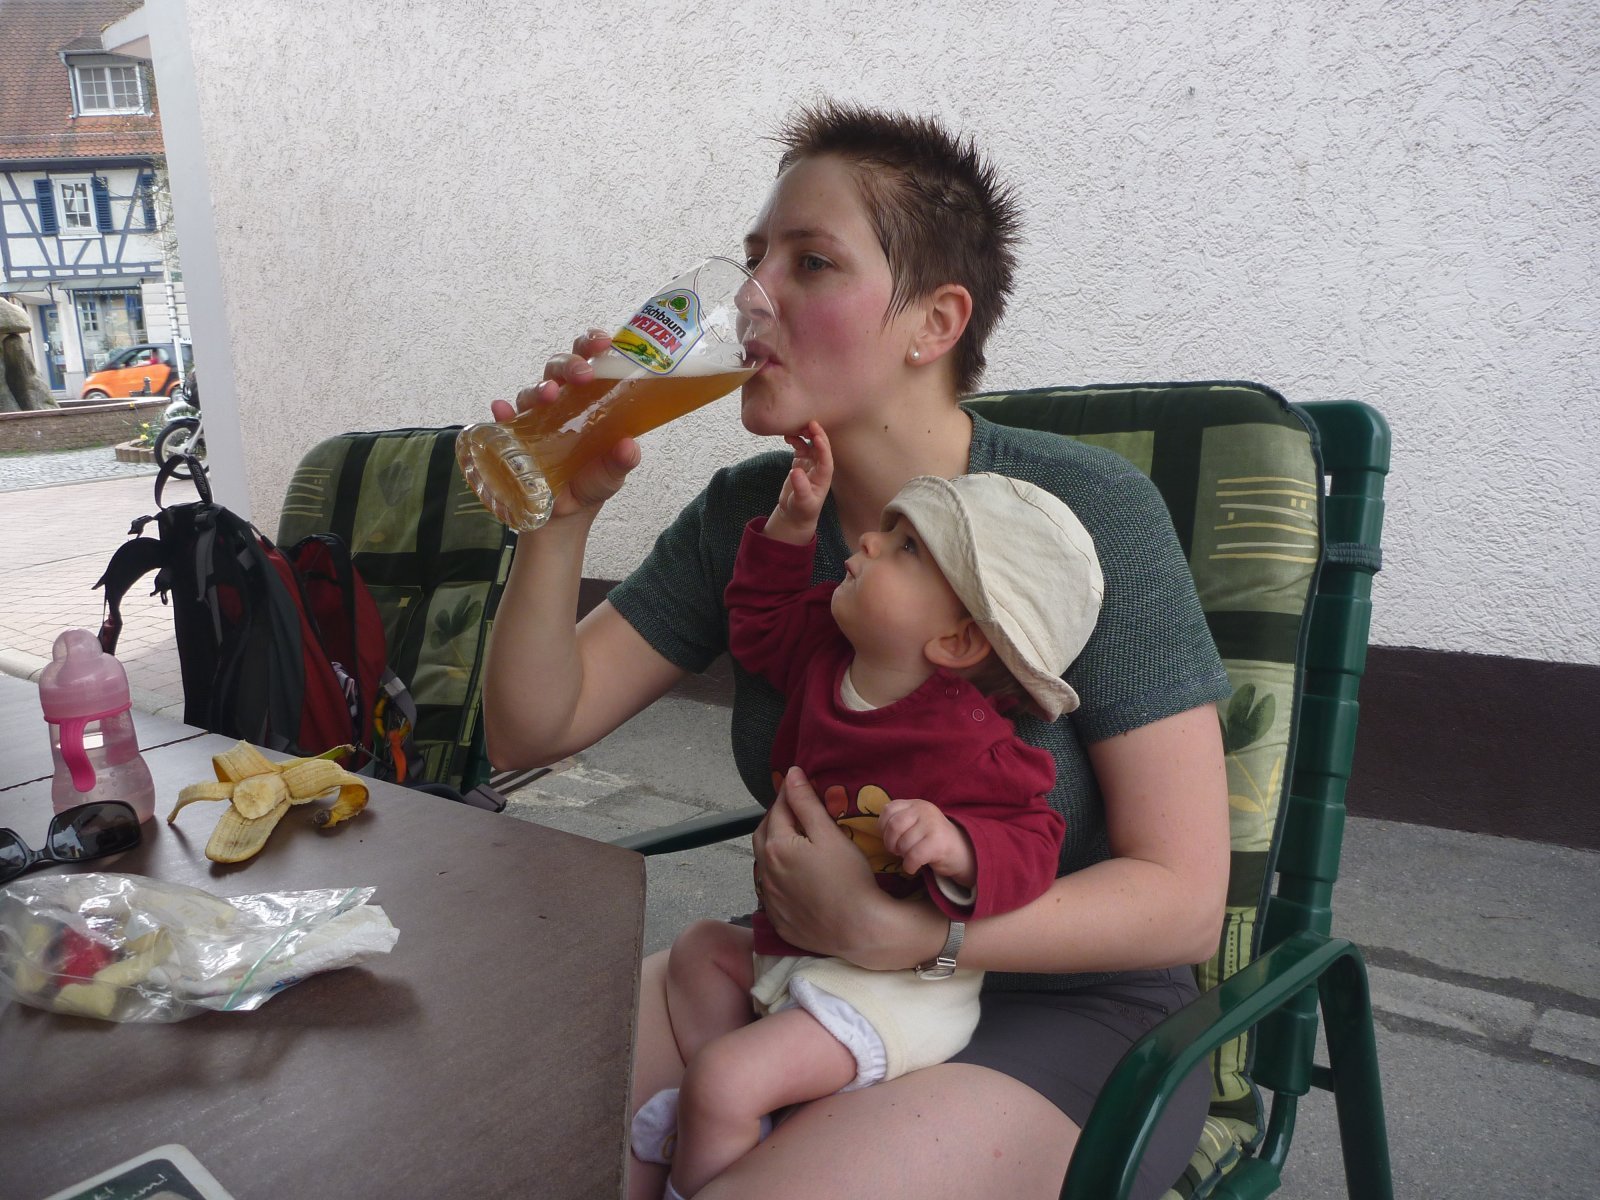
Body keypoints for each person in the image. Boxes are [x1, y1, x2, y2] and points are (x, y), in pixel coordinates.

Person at [483, 100, 1232, 1200]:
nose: (752, 297)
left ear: (935, 322)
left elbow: (1183, 895)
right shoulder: (753, 518)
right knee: (519, 1153)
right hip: (812, 977)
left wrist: (908, 935)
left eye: (811, 262)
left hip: (1066, 1009)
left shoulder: (1077, 520)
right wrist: (558, 517)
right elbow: (530, 729)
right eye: (753, 261)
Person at [632, 424, 1101, 1198]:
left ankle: (721, 1111)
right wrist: (790, 528)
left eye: (908, 548)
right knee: (698, 950)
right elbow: (757, 626)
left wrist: (959, 844)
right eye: (889, 530)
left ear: (957, 641)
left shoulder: (974, 747)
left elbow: (1034, 841)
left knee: (721, 1077)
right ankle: (749, 1111)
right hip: (804, 949)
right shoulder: (827, 648)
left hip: (897, 990)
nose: (871, 542)